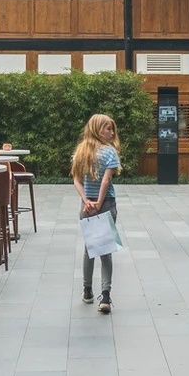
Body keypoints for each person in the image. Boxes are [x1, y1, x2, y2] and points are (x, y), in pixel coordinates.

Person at [71, 113, 122, 313]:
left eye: (112, 129)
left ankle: (87, 291)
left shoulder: (80, 152)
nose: (111, 133)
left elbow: (76, 180)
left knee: (90, 248)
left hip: (86, 205)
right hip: (106, 203)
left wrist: (86, 201)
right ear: (96, 129)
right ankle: (106, 296)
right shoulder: (110, 153)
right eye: (108, 128)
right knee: (105, 249)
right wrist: (98, 202)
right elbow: (106, 181)